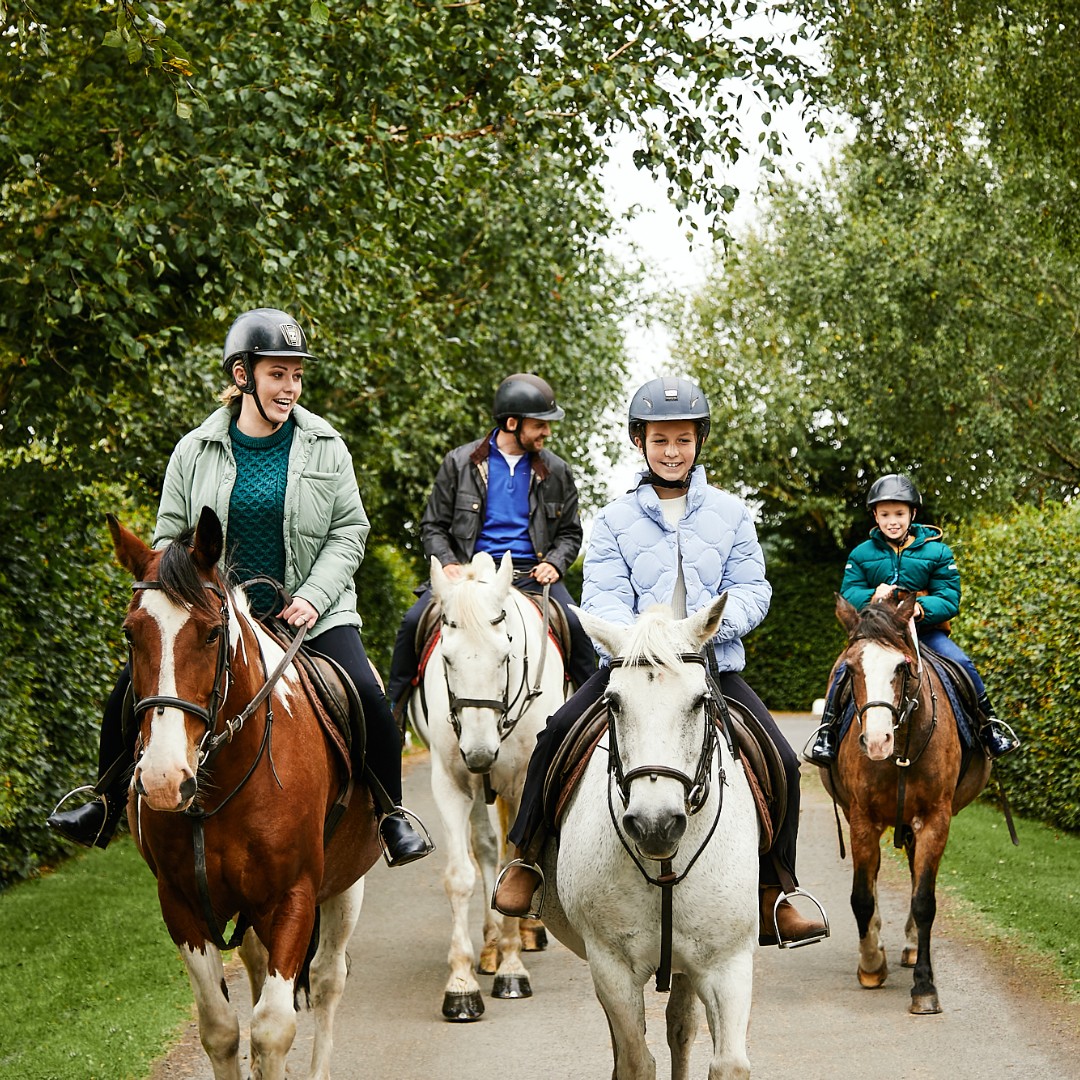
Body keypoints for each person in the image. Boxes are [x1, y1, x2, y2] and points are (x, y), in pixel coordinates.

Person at [47, 307, 433, 866]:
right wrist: (194, 595)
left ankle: (394, 817)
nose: (291, 387)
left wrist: (313, 598)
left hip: (312, 614)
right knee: (127, 692)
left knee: (369, 698)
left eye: (297, 375)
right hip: (214, 616)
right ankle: (104, 805)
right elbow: (166, 542)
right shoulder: (192, 450)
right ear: (241, 375)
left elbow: (350, 532)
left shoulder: (327, 446)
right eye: (278, 373)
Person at [492, 376, 828, 948]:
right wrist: (636, 642)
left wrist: (703, 631)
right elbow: (599, 598)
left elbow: (753, 587)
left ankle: (779, 889)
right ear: (639, 442)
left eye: (683, 439)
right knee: (553, 736)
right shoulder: (615, 520)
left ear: (699, 441)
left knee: (781, 760)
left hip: (708, 666)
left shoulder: (731, 514)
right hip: (630, 667)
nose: (672, 451)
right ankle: (527, 860)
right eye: (659, 440)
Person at [387, 373, 596, 709]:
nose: (548, 432)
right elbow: (433, 526)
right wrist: (450, 563)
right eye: (540, 424)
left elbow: (571, 533)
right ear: (512, 423)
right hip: (468, 574)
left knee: (576, 626)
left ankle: (592, 722)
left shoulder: (558, 471)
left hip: (531, 574)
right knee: (412, 623)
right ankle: (392, 717)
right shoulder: (458, 463)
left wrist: (554, 563)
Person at [806, 472, 1021, 765]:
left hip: (927, 633)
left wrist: (921, 607)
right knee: (845, 670)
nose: (892, 521)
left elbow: (949, 596)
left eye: (899, 513)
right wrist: (872, 595)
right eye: (885, 514)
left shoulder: (938, 551)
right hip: (876, 637)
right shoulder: (860, 553)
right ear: (875, 516)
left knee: (962, 664)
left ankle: (990, 727)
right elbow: (849, 592)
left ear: (913, 514)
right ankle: (827, 734)